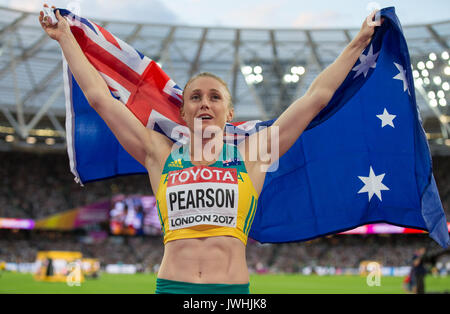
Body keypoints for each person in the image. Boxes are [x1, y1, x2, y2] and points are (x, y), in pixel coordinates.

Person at [39, 4, 383, 294]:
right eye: (196, 97)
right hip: (173, 286)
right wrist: (66, 38)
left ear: (229, 113)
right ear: (183, 112)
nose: (205, 103)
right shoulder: (159, 153)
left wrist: (359, 41)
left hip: (231, 292)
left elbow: (315, 98)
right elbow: (101, 100)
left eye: (215, 97)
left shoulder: (253, 154)